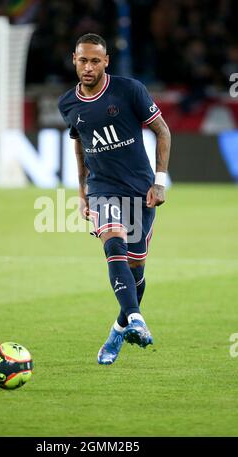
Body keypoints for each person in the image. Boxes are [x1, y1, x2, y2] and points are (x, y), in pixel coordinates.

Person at [58, 33, 171, 365]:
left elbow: (162, 130)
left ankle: (119, 328)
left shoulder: (129, 89)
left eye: (95, 60)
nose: (89, 67)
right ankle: (136, 318)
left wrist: (159, 182)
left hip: (140, 191)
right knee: (113, 244)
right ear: (74, 60)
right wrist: (82, 193)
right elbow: (80, 144)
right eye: (83, 60)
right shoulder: (67, 103)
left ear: (106, 61)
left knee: (136, 270)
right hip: (102, 188)